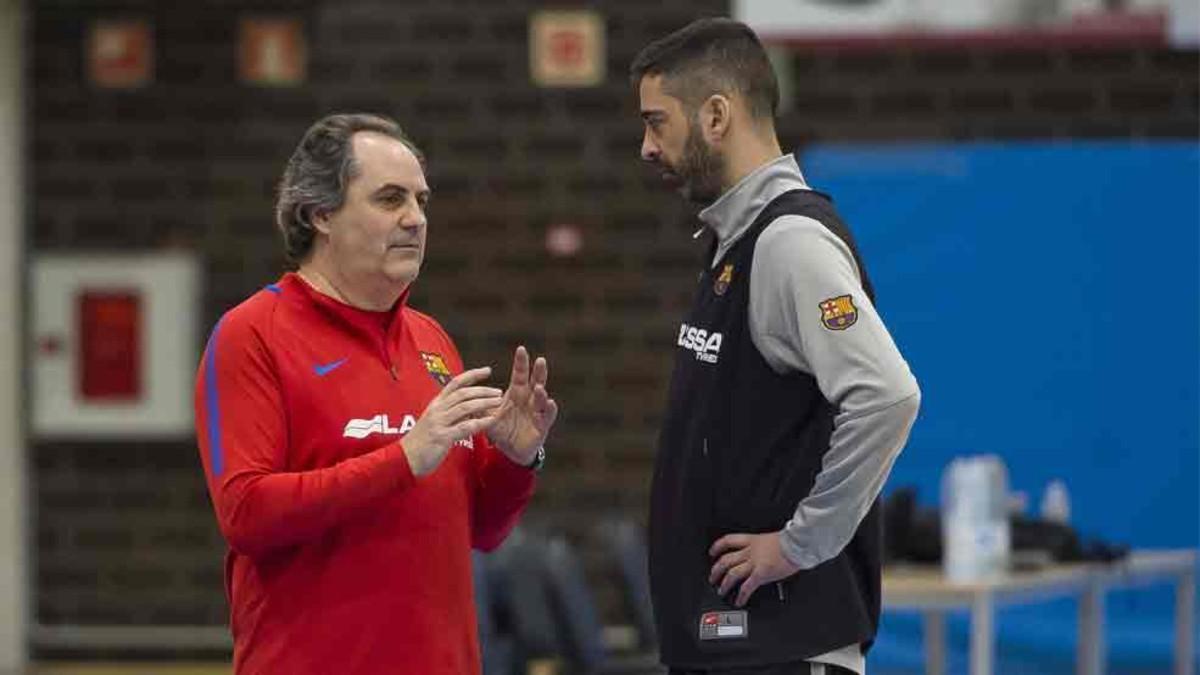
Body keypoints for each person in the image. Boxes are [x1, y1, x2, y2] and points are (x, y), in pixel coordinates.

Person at [193, 113, 557, 674]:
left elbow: (480, 533)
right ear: (321, 215)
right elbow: (246, 513)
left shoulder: (431, 340)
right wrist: (404, 459)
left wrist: (515, 461)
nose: (415, 219)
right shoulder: (252, 335)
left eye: (421, 201)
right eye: (390, 200)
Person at [632, 19, 921, 675]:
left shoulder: (789, 241)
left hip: (781, 647)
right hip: (736, 647)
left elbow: (888, 396)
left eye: (657, 122)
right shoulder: (735, 242)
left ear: (715, 116)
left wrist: (799, 543)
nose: (646, 147)